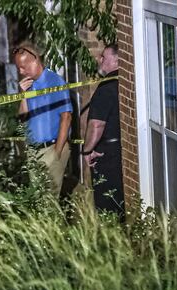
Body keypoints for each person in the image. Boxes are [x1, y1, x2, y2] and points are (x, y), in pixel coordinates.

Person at [14, 42, 73, 196]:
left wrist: (57, 153)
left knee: (49, 202)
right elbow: (22, 116)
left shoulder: (55, 82)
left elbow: (66, 117)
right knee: (38, 201)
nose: (21, 71)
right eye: (18, 67)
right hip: (34, 151)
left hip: (51, 149)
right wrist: (23, 96)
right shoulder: (29, 86)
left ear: (35, 60)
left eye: (23, 66)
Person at [82, 43, 125, 219]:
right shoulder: (125, 84)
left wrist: (87, 150)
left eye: (103, 57)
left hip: (106, 155)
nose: (99, 60)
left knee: (107, 203)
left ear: (116, 60)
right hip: (122, 149)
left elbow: (96, 125)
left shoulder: (105, 89)